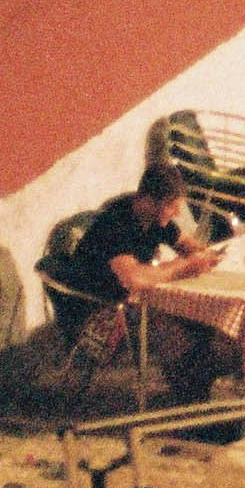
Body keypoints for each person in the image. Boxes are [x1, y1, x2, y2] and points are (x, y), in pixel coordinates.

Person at [63, 162, 228, 397]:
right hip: (100, 309)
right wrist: (183, 267)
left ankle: (195, 390)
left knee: (202, 318)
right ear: (150, 200)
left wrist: (207, 256)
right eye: (172, 206)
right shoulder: (116, 224)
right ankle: (191, 397)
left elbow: (189, 246)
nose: (177, 213)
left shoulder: (153, 219)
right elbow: (134, 278)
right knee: (175, 328)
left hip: (131, 299)